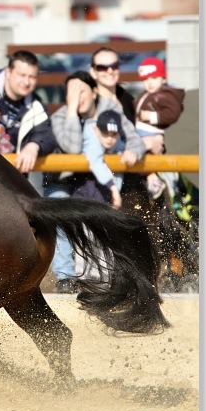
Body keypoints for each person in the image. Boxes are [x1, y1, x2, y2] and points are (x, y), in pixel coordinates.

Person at [43, 70, 144, 292]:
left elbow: (134, 137)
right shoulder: (61, 115)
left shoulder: (110, 109)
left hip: (98, 181)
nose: (77, 97)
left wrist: (133, 151)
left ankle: (120, 275)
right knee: (59, 211)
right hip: (64, 180)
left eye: (81, 91)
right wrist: (70, 110)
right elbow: (72, 147)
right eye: (71, 92)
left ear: (94, 91)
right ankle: (66, 278)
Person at [132, 57, 185, 198]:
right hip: (141, 129)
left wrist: (151, 116)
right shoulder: (145, 95)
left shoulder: (165, 95)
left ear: (162, 79)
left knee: (142, 151)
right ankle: (150, 176)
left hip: (152, 131)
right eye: (145, 79)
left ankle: (154, 179)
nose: (149, 83)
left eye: (154, 78)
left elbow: (172, 114)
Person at [73, 109, 128, 208]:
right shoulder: (91, 141)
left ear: (119, 134)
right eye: (105, 133)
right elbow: (96, 162)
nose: (109, 139)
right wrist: (114, 189)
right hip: (84, 190)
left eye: (114, 134)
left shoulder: (120, 145)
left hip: (104, 194)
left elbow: (125, 148)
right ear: (96, 130)